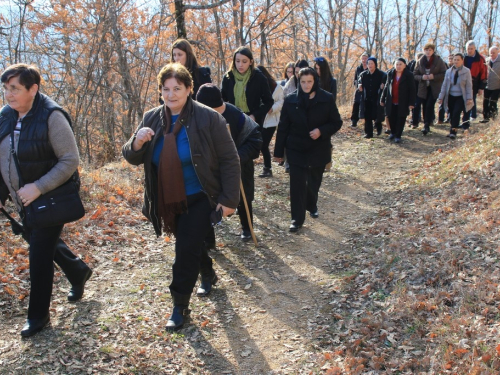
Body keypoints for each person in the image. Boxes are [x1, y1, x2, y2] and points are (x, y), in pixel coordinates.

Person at [122, 63, 240, 332]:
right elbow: (131, 156)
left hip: (200, 195)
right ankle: (208, 272)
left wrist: (229, 200)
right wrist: (137, 143)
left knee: (184, 248)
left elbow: (230, 160)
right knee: (190, 242)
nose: (171, 94)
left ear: (189, 89)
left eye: (177, 88)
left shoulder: (209, 118)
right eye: (166, 89)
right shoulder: (152, 117)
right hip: (167, 198)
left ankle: (179, 305)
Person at [0, 64, 92, 337]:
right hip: (23, 200)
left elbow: (70, 160)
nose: (8, 94)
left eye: (15, 89)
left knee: (39, 254)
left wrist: (38, 188)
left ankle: (38, 317)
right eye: (6, 89)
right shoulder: (6, 115)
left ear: (33, 89)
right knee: (42, 242)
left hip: (49, 198)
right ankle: (77, 271)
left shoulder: (52, 116)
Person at [274, 67, 342, 233]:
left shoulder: (326, 98)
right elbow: (283, 127)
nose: (306, 85)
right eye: (303, 81)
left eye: (309, 81)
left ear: (315, 81)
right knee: (297, 184)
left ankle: (311, 204)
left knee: (313, 183)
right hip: (296, 148)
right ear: (299, 81)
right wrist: (278, 152)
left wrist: (321, 131)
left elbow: (336, 122)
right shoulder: (290, 100)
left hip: (318, 148)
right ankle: (296, 219)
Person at [196, 83, 262, 244]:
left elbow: (255, 140)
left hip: (238, 165)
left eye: (218, 111)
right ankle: (208, 238)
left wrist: (238, 156)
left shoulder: (236, 115)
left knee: (242, 195)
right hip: (209, 168)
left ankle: (247, 228)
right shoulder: (195, 117)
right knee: (206, 200)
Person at [221, 46, 273, 240]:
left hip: (249, 126)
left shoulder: (258, 78)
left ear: (251, 61)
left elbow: (267, 101)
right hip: (229, 125)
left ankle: (246, 225)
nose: (240, 65)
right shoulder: (228, 78)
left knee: (244, 171)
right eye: (237, 61)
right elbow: (222, 100)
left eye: (244, 61)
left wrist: (254, 115)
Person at [412, 43, 447, 135]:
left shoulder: (439, 61)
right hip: (423, 88)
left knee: (429, 105)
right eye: (426, 50)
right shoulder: (420, 61)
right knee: (423, 104)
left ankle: (427, 124)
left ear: (433, 51)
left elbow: (444, 73)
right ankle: (425, 124)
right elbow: (415, 74)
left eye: (430, 50)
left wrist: (434, 77)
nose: (428, 52)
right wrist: (422, 77)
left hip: (434, 87)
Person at [256, 65, 284, 178]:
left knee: (264, 144)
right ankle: (267, 168)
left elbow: (281, 101)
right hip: (259, 119)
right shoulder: (255, 86)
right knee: (261, 144)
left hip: (271, 120)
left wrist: (272, 108)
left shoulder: (276, 87)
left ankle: (267, 168)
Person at [437, 53, 473, 139]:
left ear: (462, 61)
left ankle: (453, 131)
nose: (456, 61)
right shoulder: (448, 71)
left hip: (460, 96)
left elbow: (469, 85)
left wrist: (469, 98)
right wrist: (441, 97)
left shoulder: (466, 71)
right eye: (455, 60)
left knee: (456, 112)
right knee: (451, 113)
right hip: (450, 95)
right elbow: (444, 85)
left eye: (458, 60)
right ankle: (453, 127)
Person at [380, 58, 416, 143]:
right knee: (391, 117)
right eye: (397, 64)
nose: (398, 66)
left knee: (401, 118)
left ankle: (398, 135)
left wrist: (411, 102)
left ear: (404, 65)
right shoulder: (390, 73)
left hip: (403, 100)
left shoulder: (409, 75)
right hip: (391, 100)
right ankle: (393, 132)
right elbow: (386, 87)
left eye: (400, 64)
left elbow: (412, 89)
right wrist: (382, 98)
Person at [358, 57, 386, 138]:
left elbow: (386, 79)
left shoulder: (381, 74)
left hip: (377, 98)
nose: (370, 65)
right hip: (367, 99)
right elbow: (359, 80)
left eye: (371, 63)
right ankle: (368, 133)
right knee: (368, 116)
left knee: (377, 114)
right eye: (368, 64)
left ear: (375, 64)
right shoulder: (363, 74)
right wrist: (359, 85)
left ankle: (378, 127)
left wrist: (383, 84)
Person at [464, 40, 487, 121]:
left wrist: (481, 87)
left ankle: (473, 115)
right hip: (464, 81)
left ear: (475, 48)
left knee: (472, 98)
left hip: (475, 81)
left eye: (471, 48)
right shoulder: (463, 57)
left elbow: (483, 73)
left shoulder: (480, 58)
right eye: (468, 49)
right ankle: (465, 115)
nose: (469, 50)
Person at [350, 52, 368, 127]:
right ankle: (354, 121)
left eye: (365, 58)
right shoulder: (358, 68)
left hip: (367, 90)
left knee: (368, 105)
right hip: (359, 90)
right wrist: (357, 86)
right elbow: (355, 79)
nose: (363, 60)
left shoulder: (370, 67)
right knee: (356, 104)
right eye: (362, 58)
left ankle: (369, 122)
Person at [483, 46, 500, 122]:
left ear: (497, 52)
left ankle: (494, 119)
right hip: (487, 86)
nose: (492, 54)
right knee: (485, 102)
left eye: (494, 53)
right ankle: (486, 118)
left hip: (497, 86)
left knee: (492, 102)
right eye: (490, 53)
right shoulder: (487, 60)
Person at [408, 52, 424, 128]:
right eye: (418, 58)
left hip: (423, 88)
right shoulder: (412, 65)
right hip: (414, 88)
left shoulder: (425, 66)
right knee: (415, 105)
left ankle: (427, 122)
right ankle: (414, 122)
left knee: (424, 106)